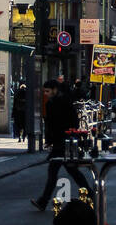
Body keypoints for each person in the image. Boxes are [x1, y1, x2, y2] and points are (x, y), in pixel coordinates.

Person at [30, 80, 93, 210]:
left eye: (47, 91)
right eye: (44, 92)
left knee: (56, 171)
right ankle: (91, 195)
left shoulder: (60, 102)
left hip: (63, 142)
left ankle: (43, 201)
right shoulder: (55, 102)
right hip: (62, 142)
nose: (46, 94)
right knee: (72, 171)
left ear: (55, 89)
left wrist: (62, 136)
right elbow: (52, 123)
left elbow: (62, 122)